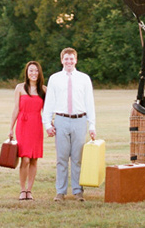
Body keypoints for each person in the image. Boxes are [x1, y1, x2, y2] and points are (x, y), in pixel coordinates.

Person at [42, 47, 96, 202]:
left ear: (76, 60)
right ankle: (61, 191)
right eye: (66, 58)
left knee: (78, 158)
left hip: (80, 120)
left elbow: (89, 103)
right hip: (61, 120)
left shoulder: (84, 78)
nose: (69, 61)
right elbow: (49, 102)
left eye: (71, 58)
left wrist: (92, 125)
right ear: (62, 60)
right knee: (62, 158)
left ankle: (78, 191)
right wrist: (47, 123)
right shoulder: (55, 78)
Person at [9, 60, 46, 201]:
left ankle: (29, 190)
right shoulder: (19, 88)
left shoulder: (44, 90)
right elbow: (16, 109)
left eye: (36, 70)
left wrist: (51, 124)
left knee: (34, 159)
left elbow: (46, 111)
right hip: (23, 126)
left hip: (36, 125)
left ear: (39, 73)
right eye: (31, 70)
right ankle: (22, 189)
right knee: (25, 159)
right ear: (27, 72)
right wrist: (10, 128)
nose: (33, 73)